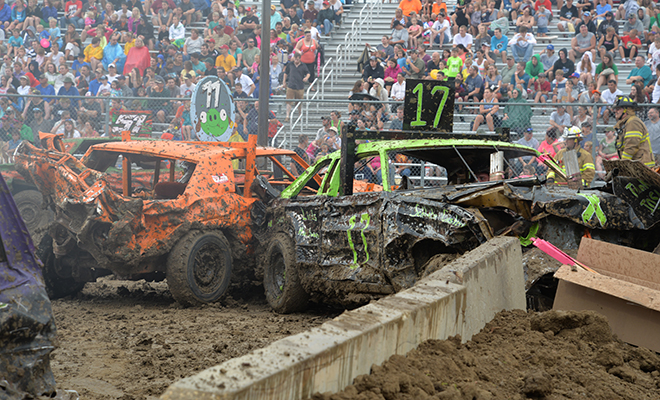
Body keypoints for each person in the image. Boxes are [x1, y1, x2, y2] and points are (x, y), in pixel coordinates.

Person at [612, 96, 655, 167]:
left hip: (642, 166)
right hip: (636, 165)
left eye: (618, 109)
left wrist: (623, 165)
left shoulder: (633, 122)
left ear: (626, 110)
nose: (615, 111)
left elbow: (631, 146)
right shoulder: (625, 123)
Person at [284, 52, 309, 121]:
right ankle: (287, 116)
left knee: (299, 102)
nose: (296, 61)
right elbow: (286, 73)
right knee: (289, 101)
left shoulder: (303, 66)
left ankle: (300, 116)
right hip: (291, 85)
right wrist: (284, 82)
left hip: (300, 86)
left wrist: (306, 77)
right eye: (295, 59)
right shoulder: (290, 65)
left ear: (300, 59)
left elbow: (308, 73)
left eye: (298, 59)